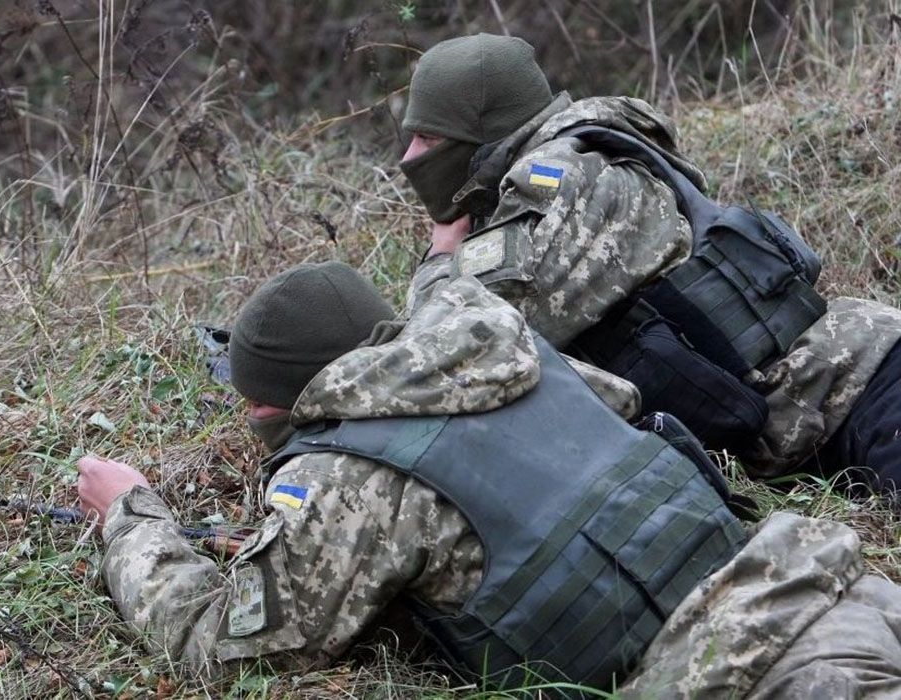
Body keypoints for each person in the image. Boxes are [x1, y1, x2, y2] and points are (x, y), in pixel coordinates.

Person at [78, 260, 901, 697]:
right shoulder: (521, 355)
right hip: (832, 589)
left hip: (741, 673)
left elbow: (223, 642)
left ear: (285, 401)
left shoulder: (348, 474)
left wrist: (130, 514)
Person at [395, 33, 901, 494]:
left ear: (485, 137)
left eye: (431, 139)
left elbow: (455, 342)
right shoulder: (592, 153)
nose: (408, 157)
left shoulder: (562, 181)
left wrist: (441, 257)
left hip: (862, 386)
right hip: (820, 414)